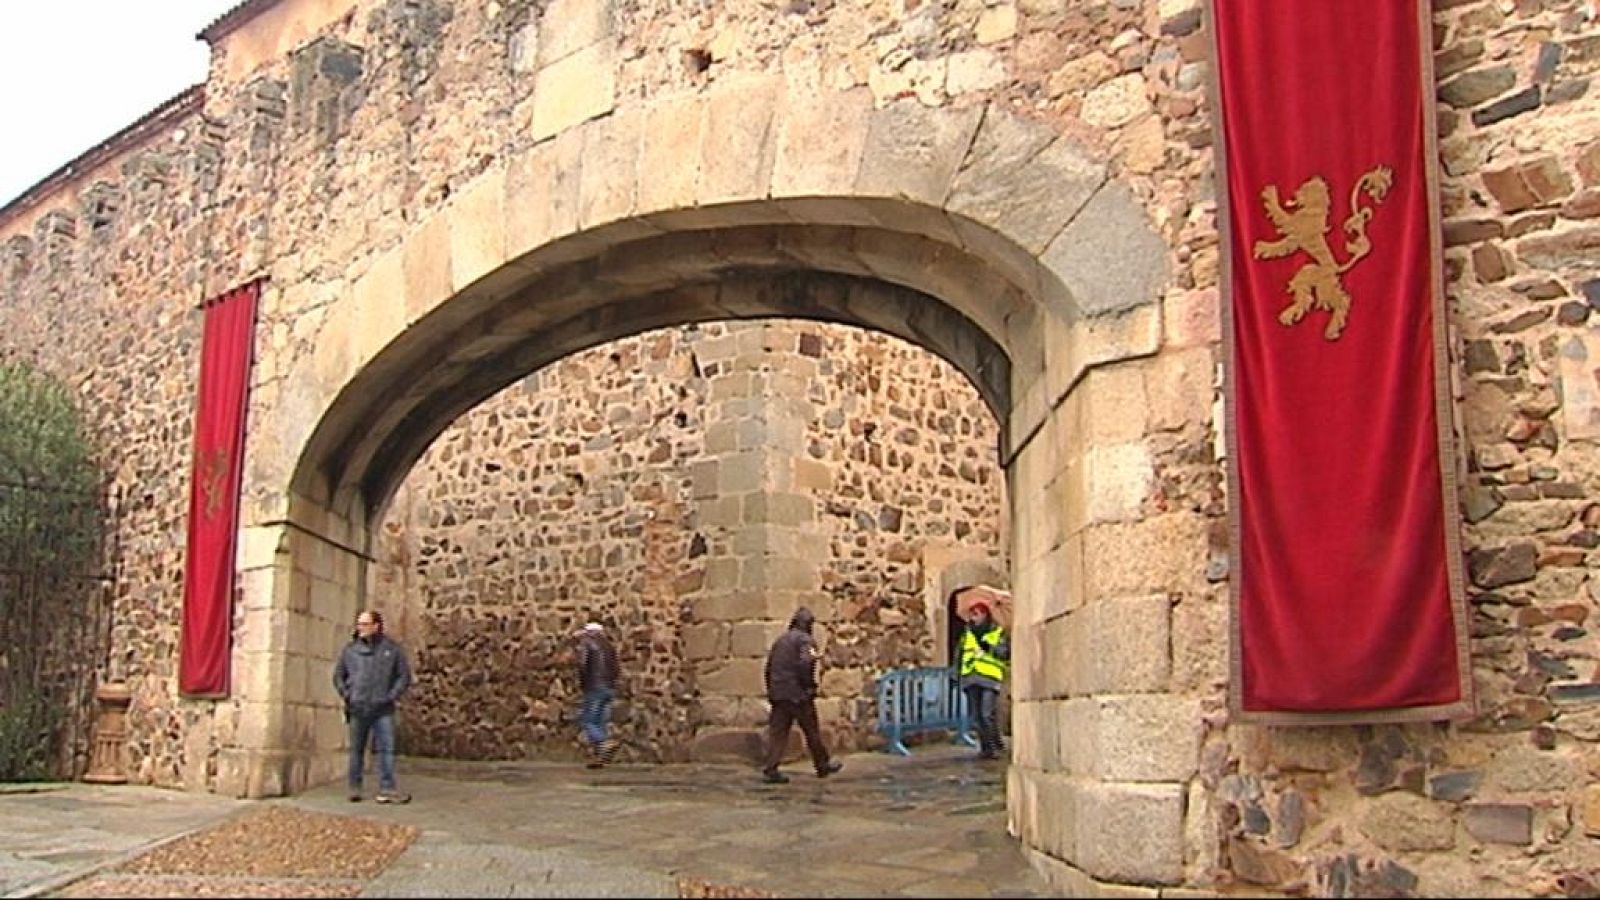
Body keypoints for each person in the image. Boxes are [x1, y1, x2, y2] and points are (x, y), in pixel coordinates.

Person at [333, 609, 414, 803]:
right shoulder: (350, 650)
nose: (360, 628)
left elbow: (403, 676)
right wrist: (348, 695)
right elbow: (338, 676)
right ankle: (355, 787)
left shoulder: (392, 650)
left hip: (382, 708)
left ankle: (387, 788)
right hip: (358, 707)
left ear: (376, 626)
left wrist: (390, 696)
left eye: (364, 624)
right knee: (357, 750)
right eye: (359, 624)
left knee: (386, 749)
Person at [760, 607, 843, 784]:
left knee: (778, 733)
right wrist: (809, 686)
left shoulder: (780, 641)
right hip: (797, 694)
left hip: (779, 693)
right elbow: (806, 663)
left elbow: (769, 668)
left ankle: (771, 767)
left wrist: (772, 690)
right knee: (811, 730)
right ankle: (822, 764)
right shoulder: (805, 641)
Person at [959, 600, 1010, 760]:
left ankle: (994, 746)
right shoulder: (968, 633)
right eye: (972, 614)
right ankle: (986, 747)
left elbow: (1004, 653)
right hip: (971, 678)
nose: (973, 618)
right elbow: (960, 653)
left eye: (977, 614)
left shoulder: (996, 632)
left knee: (987, 713)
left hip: (989, 677)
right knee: (977, 716)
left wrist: (988, 648)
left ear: (985, 615)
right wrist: (957, 674)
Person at [574, 621, 619, 768]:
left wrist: (583, 683)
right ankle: (600, 758)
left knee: (589, 720)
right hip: (609, 687)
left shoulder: (587, 644)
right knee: (600, 722)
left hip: (594, 686)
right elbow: (616, 668)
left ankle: (604, 742)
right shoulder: (609, 646)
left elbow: (583, 665)